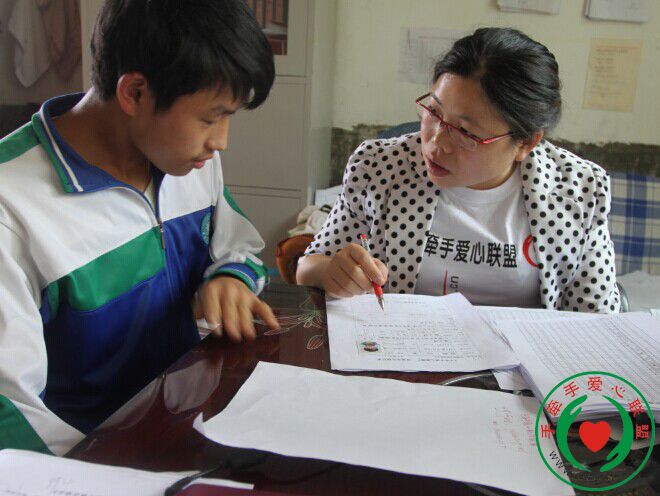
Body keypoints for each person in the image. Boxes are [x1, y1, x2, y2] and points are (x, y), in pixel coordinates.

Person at [0, 0, 280, 454]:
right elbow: (10, 411)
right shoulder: (12, 207)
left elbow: (238, 246)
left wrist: (230, 278)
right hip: (89, 464)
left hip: (189, 429)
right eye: (211, 118)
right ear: (134, 92)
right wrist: (105, 471)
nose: (221, 141)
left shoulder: (189, 161)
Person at [297, 27, 620, 314]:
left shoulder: (579, 190)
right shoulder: (380, 166)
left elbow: (597, 316)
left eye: (465, 132)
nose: (436, 142)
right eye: (434, 112)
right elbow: (308, 266)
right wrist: (330, 272)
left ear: (526, 142)